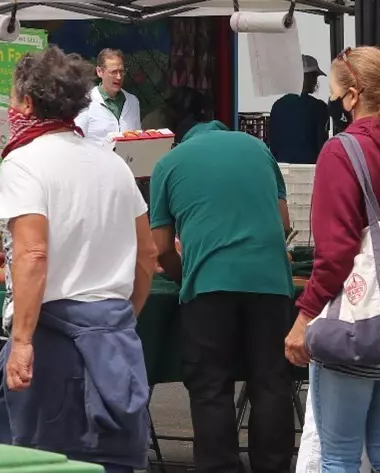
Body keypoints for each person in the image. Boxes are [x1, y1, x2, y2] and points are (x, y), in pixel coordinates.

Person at [0, 46, 156, 470]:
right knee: (110, 460)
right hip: (115, 337)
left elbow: (32, 253)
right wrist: (120, 318)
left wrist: (23, 342)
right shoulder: (113, 163)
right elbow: (148, 255)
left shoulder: (23, 163)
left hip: (53, 340)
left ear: (28, 103)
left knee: (40, 460)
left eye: (14, 98)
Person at [285, 46, 380, 473]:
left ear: (351, 97)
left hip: (355, 320)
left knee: (339, 458)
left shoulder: (341, 151)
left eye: (334, 95)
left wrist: (303, 319)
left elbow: (335, 254)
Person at [150, 91, 294, 473]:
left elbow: (161, 248)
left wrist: (185, 275)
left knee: (211, 387)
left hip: (209, 286)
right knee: (271, 383)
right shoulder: (257, 148)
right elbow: (284, 223)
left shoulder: (169, 163)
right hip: (271, 283)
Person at [268, 54, 331, 164]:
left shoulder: (277, 106)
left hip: (281, 170)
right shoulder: (319, 107)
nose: (316, 81)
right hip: (309, 171)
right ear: (309, 78)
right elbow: (322, 146)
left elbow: (272, 145)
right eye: (315, 76)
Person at [76, 48, 142, 145]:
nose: (119, 77)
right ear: (99, 72)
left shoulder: (133, 102)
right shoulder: (85, 102)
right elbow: (77, 140)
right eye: (113, 72)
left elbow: (138, 137)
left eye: (121, 71)